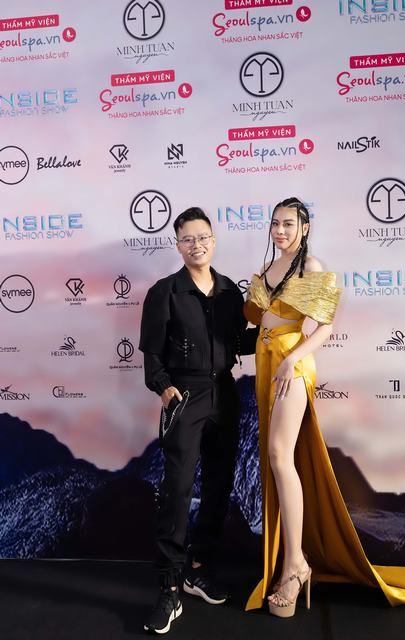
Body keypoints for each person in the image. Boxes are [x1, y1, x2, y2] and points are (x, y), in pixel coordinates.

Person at [244, 197, 405, 617]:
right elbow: (255, 316)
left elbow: (323, 329)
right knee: (277, 458)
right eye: (275, 224)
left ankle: (295, 565)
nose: (280, 231)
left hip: (291, 362)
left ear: (304, 227)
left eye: (288, 224)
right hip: (265, 360)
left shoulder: (312, 267)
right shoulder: (269, 267)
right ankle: (293, 560)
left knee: (279, 455)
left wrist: (292, 358)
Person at [139, 207, 256, 634]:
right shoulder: (164, 292)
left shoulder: (229, 293)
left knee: (219, 487)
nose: (197, 245)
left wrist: (280, 324)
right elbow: (152, 354)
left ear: (213, 240)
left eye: (203, 237)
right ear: (178, 245)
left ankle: (198, 568)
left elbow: (239, 341)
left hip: (224, 394)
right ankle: (169, 589)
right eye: (188, 239)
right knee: (177, 490)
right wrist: (164, 388)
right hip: (184, 397)